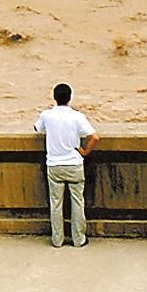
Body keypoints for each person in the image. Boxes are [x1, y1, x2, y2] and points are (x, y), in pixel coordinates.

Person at [33, 82, 98, 247]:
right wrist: (84, 152)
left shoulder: (47, 115)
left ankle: (57, 240)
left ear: (54, 98)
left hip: (54, 165)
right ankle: (78, 239)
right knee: (77, 202)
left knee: (56, 204)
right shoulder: (77, 116)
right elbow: (95, 137)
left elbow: (36, 128)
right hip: (74, 164)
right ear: (70, 98)